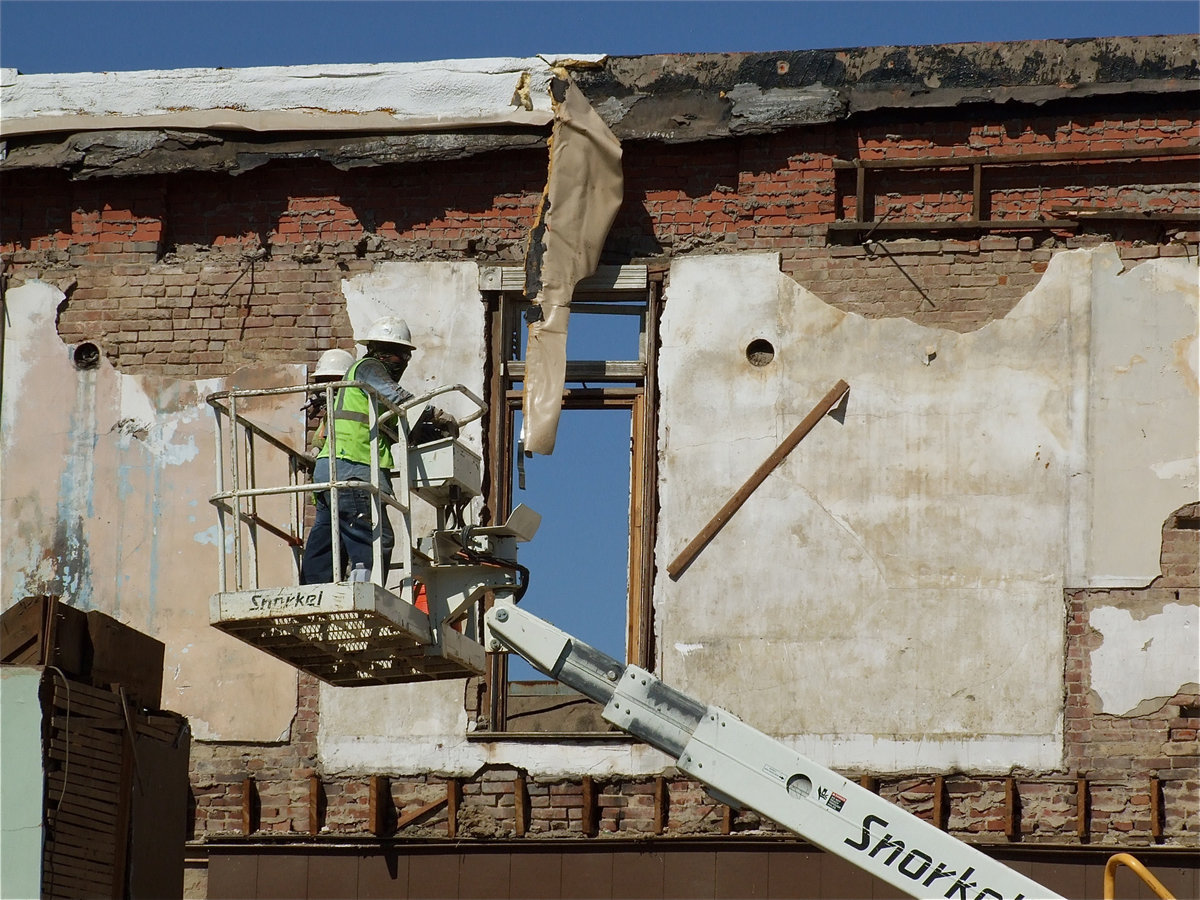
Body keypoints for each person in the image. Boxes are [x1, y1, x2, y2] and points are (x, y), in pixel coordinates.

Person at [299, 317, 457, 585]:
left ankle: (312, 592)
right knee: (375, 538)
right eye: (399, 355)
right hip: (354, 470)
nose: (402, 361)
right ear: (379, 351)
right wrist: (436, 414)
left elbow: (398, 426)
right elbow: (398, 397)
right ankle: (365, 591)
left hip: (331, 471)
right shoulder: (369, 368)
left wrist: (430, 430)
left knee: (328, 539)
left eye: (405, 356)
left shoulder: (369, 397)